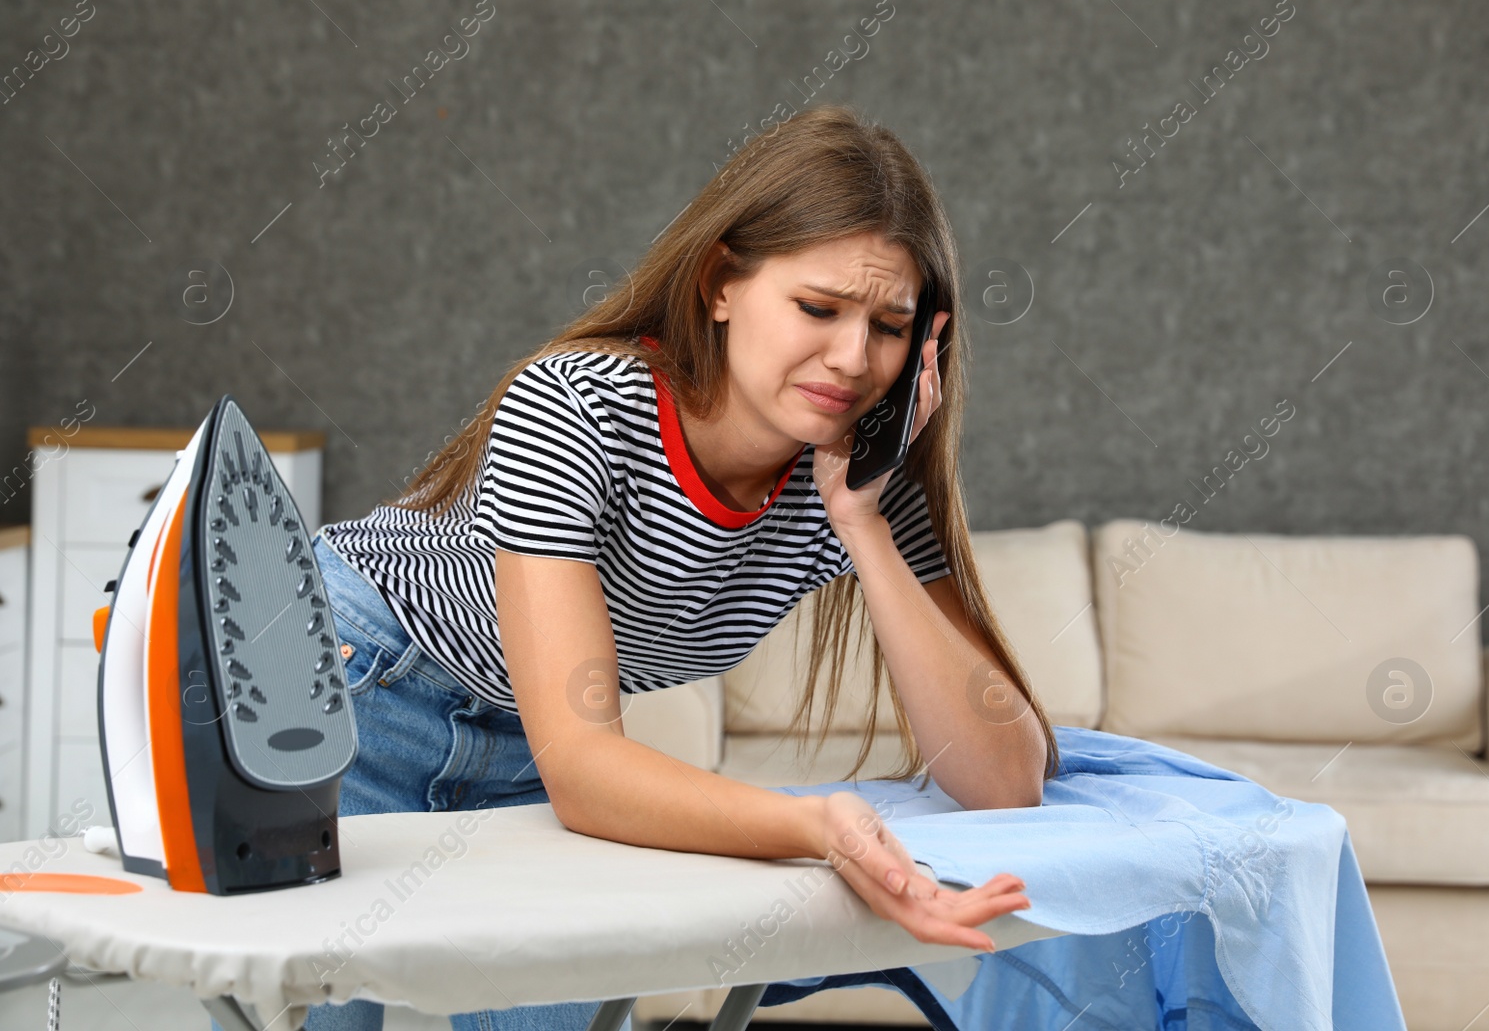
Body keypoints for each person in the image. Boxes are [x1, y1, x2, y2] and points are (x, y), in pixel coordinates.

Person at [249, 103, 1063, 1031]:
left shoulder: (857, 484)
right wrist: (812, 828)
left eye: (889, 325)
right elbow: (587, 768)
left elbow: (1006, 780)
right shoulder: (574, 407)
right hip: (351, 692)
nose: (851, 358)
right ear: (721, 283)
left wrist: (865, 528)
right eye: (818, 307)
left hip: (527, 746)